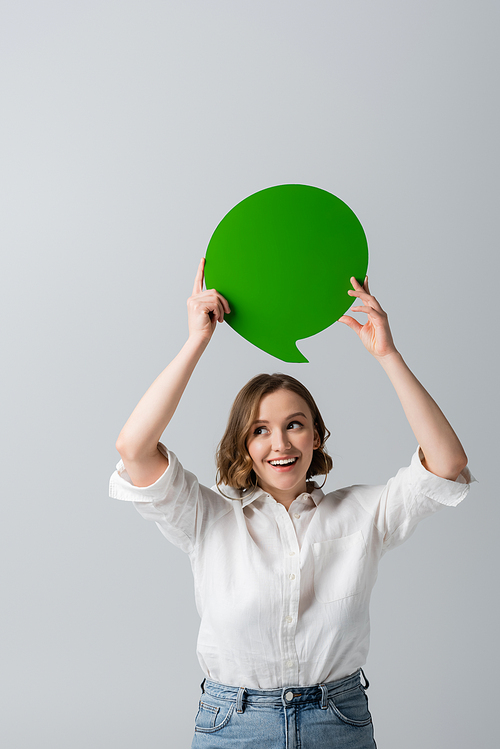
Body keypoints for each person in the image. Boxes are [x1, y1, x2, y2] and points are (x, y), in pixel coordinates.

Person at [109, 258, 473, 748]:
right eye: (260, 430)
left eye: (294, 425)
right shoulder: (207, 516)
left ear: (317, 438)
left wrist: (387, 354)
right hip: (234, 725)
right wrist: (197, 340)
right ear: (243, 445)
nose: (280, 443)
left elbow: (446, 464)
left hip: (336, 721)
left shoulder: (363, 514)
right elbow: (134, 449)